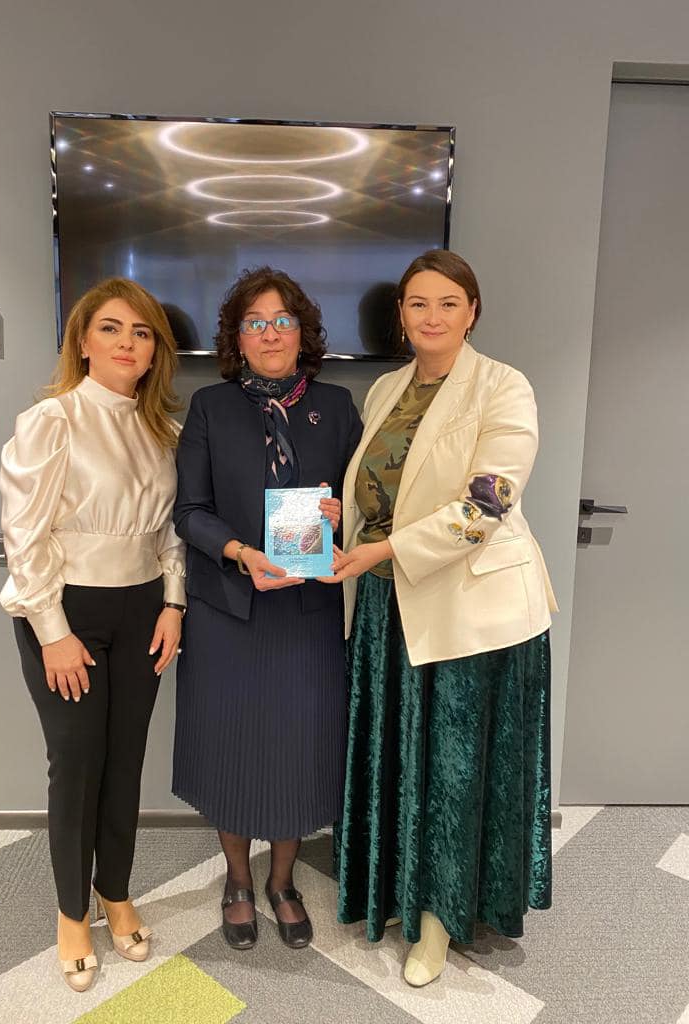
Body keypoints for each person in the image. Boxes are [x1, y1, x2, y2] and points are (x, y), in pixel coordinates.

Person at [324, 250, 558, 986]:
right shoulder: (386, 387)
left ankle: (440, 918)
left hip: (471, 609)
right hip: (387, 602)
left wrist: (387, 547)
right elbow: (383, 489)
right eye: (418, 303)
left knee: (452, 769)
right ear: (401, 314)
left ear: (472, 312)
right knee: (401, 758)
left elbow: (489, 503)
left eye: (448, 303)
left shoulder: (503, 386)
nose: (432, 316)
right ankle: (401, 890)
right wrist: (344, 517)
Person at [0, 278, 186, 991]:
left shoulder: (163, 431)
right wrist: (52, 630)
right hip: (67, 609)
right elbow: (24, 534)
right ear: (83, 341)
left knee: (124, 762)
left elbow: (170, 534)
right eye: (111, 328)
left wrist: (173, 604)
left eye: (142, 332)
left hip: (143, 610)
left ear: (155, 351)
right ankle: (72, 912)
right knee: (77, 766)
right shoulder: (52, 420)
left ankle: (116, 892)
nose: (127, 343)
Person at [172, 266, 362, 951]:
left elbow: (368, 502)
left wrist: (343, 513)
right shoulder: (209, 407)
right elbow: (188, 511)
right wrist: (240, 552)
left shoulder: (337, 406)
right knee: (228, 748)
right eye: (256, 322)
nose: (271, 333)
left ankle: (282, 881)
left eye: (283, 320)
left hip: (308, 613)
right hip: (229, 610)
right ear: (238, 338)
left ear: (302, 333)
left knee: (296, 750)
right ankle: (237, 880)